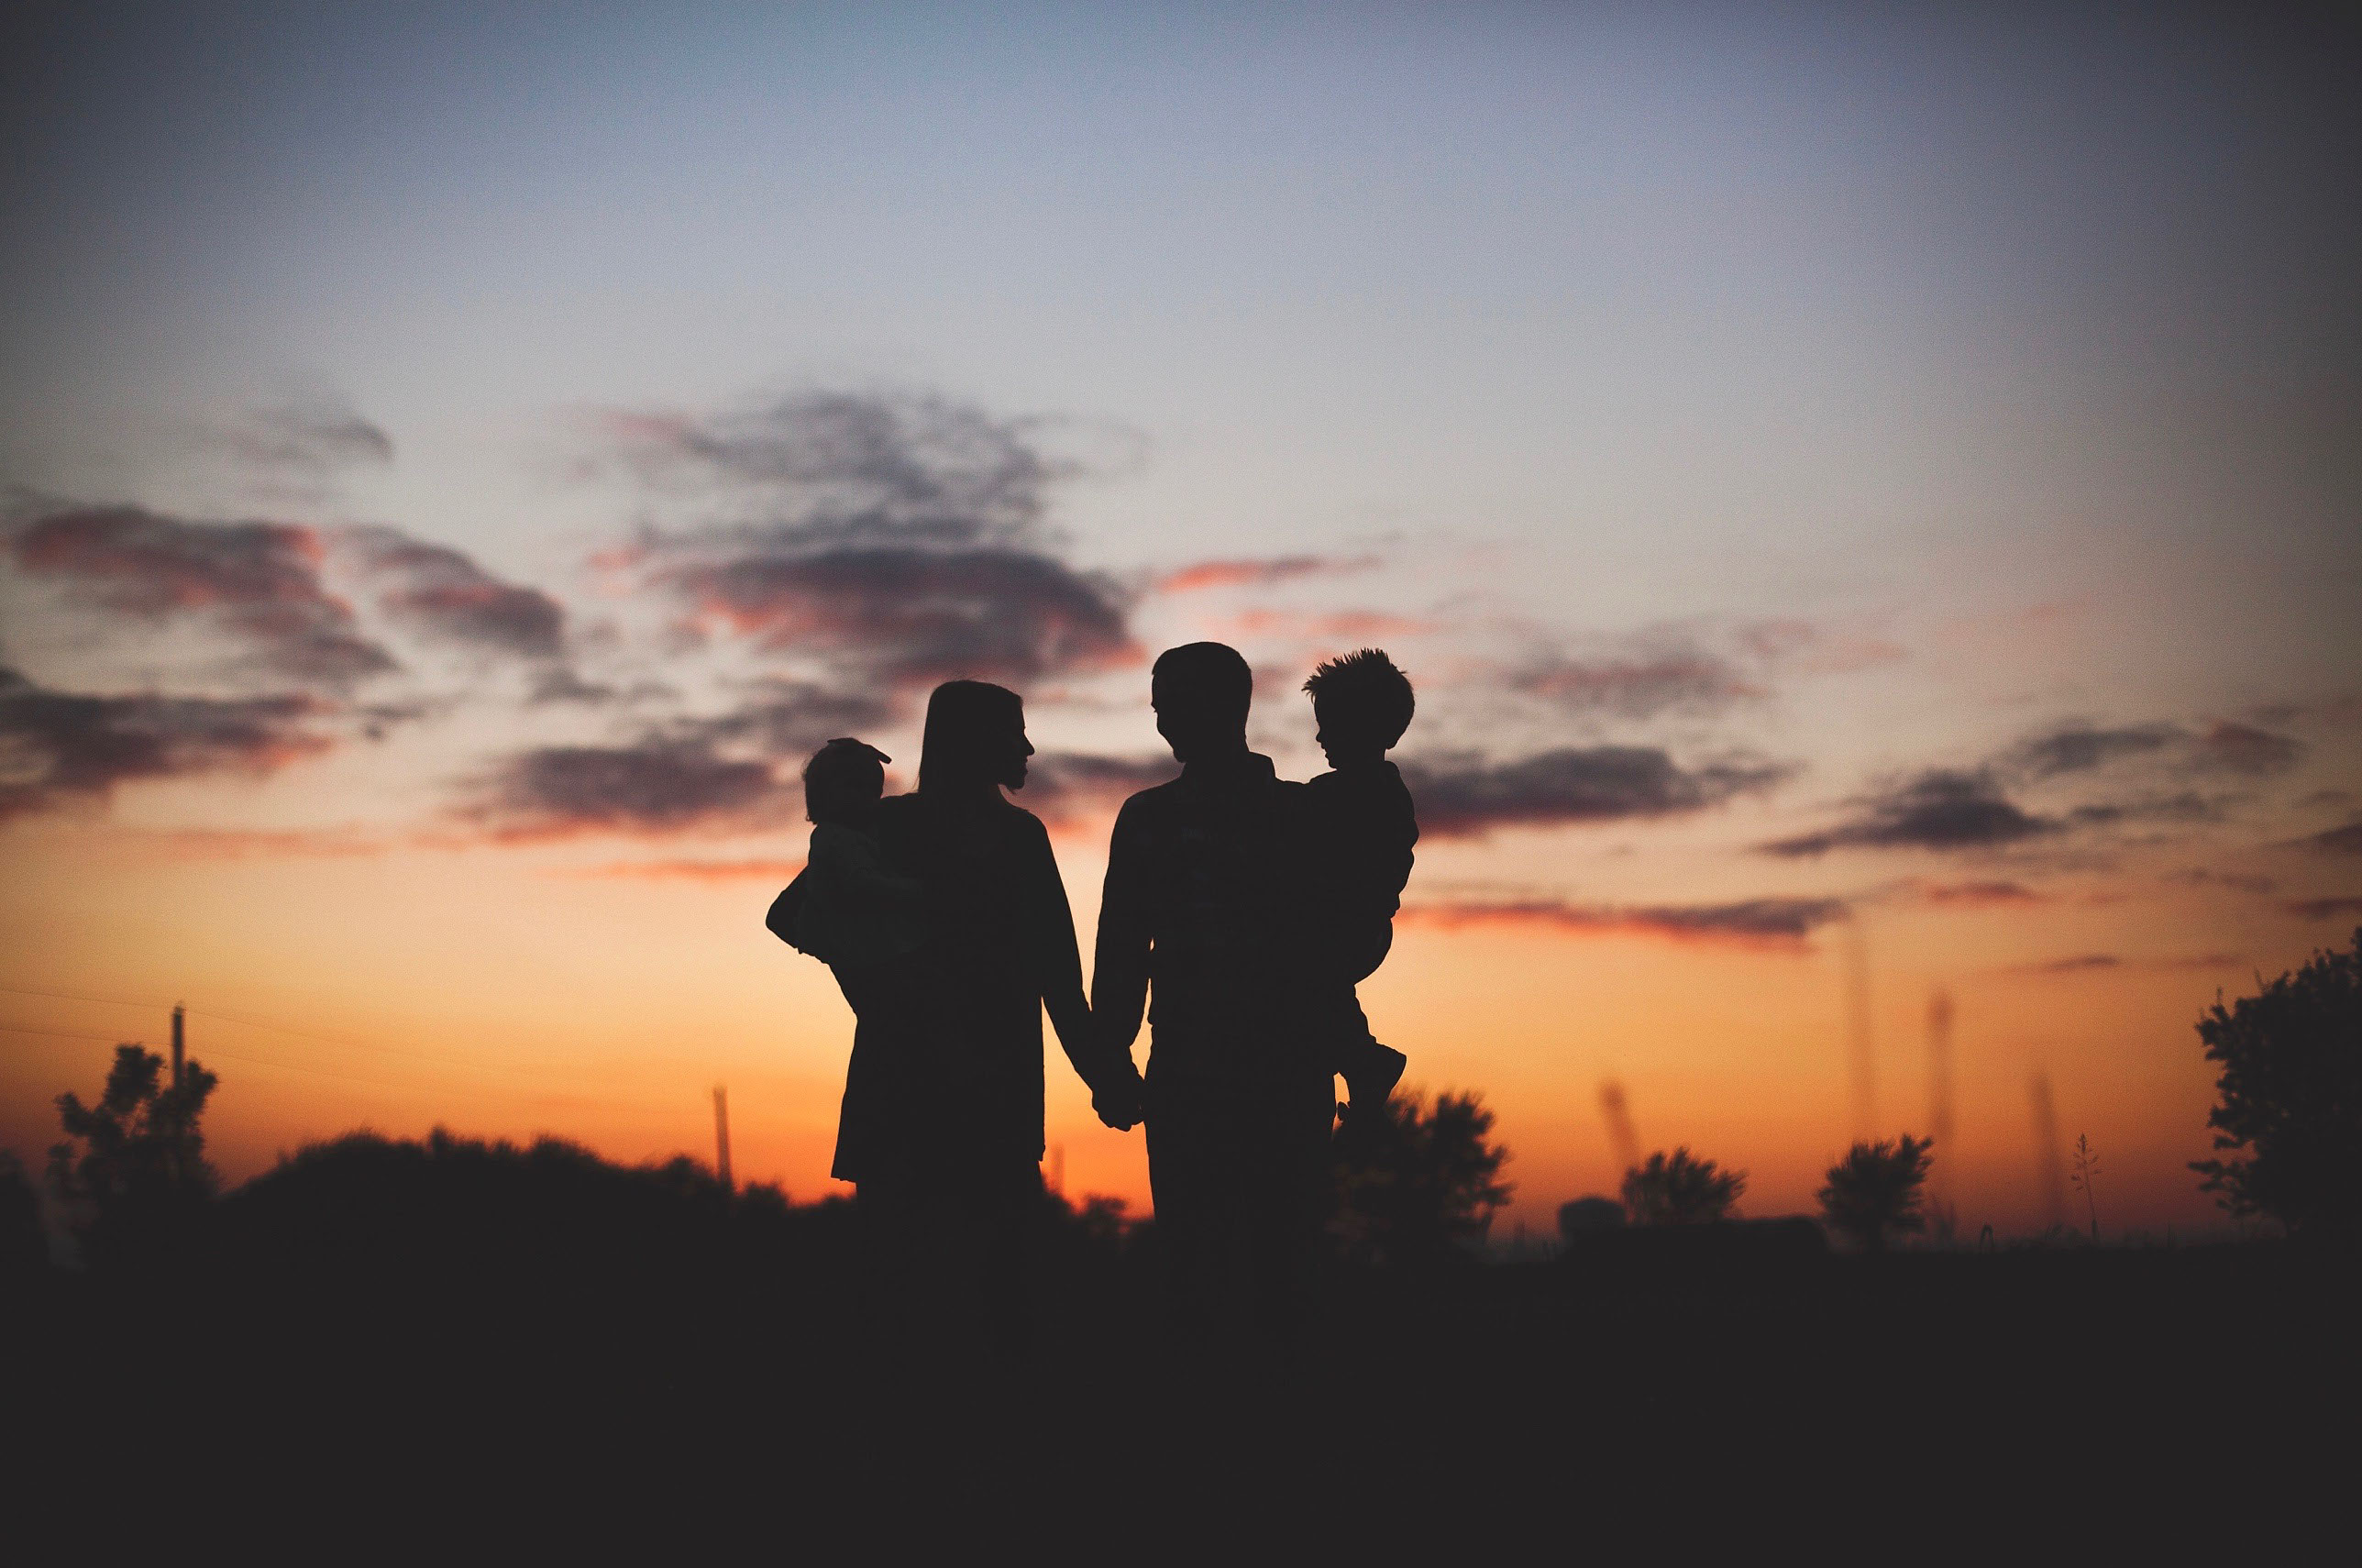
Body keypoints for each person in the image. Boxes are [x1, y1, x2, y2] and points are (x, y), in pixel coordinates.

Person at [770, 680, 1138, 1362]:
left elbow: (1057, 973)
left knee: (999, 1300)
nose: (1026, 748)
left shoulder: (1018, 837)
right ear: (969, 742)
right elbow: (791, 915)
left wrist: (1105, 1074)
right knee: (901, 1301)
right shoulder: (885, 828)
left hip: (992, 1090)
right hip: (907, 1089)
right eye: (1011, 732)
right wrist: (880, 987)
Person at [1092, 642, 1330, 1351]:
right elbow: (1123, 950)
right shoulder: (1152, 818)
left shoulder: (1297, 816)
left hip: (1266, 1075)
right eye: (1158, 699)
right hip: (1201, 1076)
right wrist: (1112, 1062)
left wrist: (1113, 1061)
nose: (1160, 714)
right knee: (1212, 1271)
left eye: (1172, 698)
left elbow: (1333, 947)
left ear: (1227, 707)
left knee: (1277, 1266)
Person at [1297, 649, 1418, 1132]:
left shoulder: (1350, 795)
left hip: (1351, 929)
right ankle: (1363, 1059)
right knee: (1319, 988)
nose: (1321, 736)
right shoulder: (1357, 791)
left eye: (1332, 724)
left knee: (1306, 973)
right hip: (1354, 928)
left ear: (1377, 729)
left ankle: (1365, 1060)